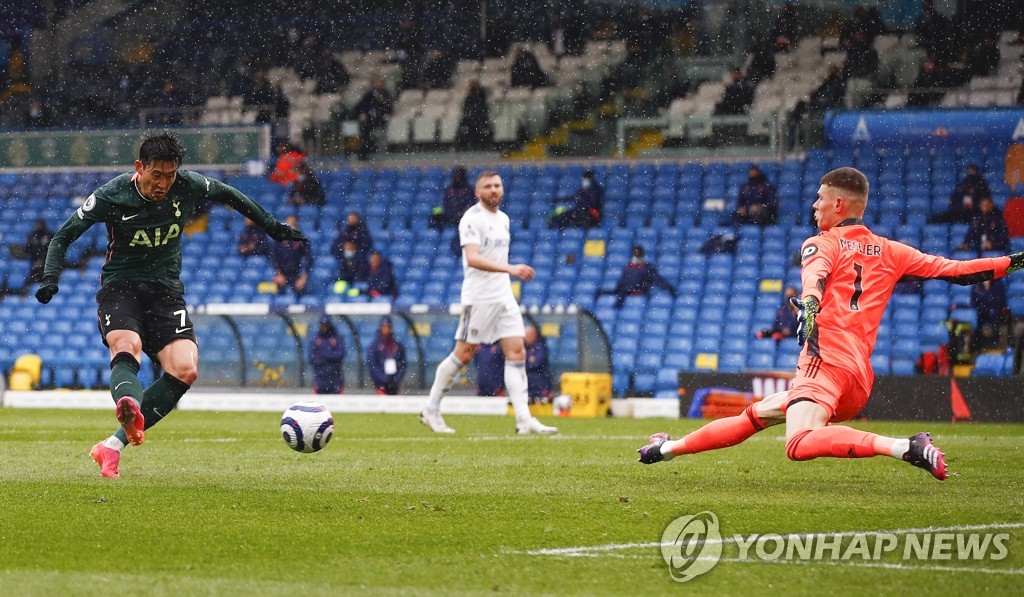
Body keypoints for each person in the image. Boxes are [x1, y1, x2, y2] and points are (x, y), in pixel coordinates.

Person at [639, 167, 1024, 481]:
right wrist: (1014, 261)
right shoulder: (892, 251)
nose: (814, 205)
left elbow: (815, 276)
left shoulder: (822, 243)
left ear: (838, 203)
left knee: (797, 442)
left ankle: (907, 447)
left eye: (820, 198)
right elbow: (957, 272)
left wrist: (809, 303)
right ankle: (665, 449)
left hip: (825, 361)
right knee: (757, 414)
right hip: (857, 378)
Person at [35, 132, 306, 478]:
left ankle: (111, 447)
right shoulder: (111, 195)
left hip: (165, 293)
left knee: (185, 368)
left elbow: (229, 194)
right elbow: (63, 236)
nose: (163, 183)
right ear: (139, 168)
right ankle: (128, 404)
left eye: (170, 175)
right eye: (156, 175)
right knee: (126, 345)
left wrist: (272, 226)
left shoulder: (186, 185)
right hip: (121, 288)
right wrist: (50, 278)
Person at [419, 171, 558, 435]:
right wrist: (511, 269)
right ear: (477, 192)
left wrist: (508, 274)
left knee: (517, 351)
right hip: (479, 296)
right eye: (488, 186)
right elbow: (472, 258)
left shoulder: (503, 219)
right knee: (464, 353)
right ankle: (431, 410)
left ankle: (524, 419)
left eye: (497, 185)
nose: (494, 190)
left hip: (503, 296)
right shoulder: (472, 219)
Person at [596, 244, 678, 308]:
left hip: (633, 292)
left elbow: (658, 281)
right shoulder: (632, 268)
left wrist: (669, 288)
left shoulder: (640, 267)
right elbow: (658, 281)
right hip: (630, 292)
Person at [351, 78, 393, 160]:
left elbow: (389, 108)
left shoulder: (386, 94)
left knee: (379, 134)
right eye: (377, 82)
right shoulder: (369, 95)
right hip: (368, 122)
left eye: (381, 83)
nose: (379, 84)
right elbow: (361, 106)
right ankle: (362, 155)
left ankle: (380, 156)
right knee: (362, 133)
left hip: (380, 122)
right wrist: (362, 114)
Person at [272, 214, 313, 296]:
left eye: (293, 223)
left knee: (300, 292)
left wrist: (303, 278)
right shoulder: (278, 238)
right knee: (278, 295)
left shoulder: (301, 239)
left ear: (296, 224)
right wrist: (279, 274)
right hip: (282, 273)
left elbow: (309, 259)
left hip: (296, 274)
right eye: (289, 223)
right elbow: (273, 257)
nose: (291, 225)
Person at [367, 316, 406, 395]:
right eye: (384, 326)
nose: (386, 329)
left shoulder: (397, 346)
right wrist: (383, 379)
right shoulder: (375, 346)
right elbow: (372, 365)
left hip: (394, 385)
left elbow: (403, 364)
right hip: (380, 385)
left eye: (388, 326)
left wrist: (396, 379)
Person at [308, 315, 346, 394]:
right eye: (322, 324)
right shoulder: (315, 338)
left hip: (335, 379)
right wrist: (329, 357)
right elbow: (311, 358)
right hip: (320, 379)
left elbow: (340, 355)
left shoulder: (337, 337)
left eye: (326, 324)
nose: (324, 327)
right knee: (318, 405)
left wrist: (324, 354)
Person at [970, 278, 1009, 353]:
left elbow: (1000, 300)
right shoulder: (976, 285)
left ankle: (995, 344)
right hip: (981, 315)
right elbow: (973, 302)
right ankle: (979, 348)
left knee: (994, 315)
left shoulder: (998, 284)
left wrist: (988, 291)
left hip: (995, 314)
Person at [455, 80, 493, 150]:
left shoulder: (481, 95)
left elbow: (482, 105)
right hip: (470, 117)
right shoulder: (469, 97)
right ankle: (465, 145)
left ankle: (482, 144)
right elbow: (466, 108)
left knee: (481, 127)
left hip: (480, 117)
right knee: (464, 127)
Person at [524, 325, 553, 402]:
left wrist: (525, 363)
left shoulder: (540, 347)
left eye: (528, 335)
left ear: (534, 335)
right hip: (527, 384)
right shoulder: (524, 347)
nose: (525, 337)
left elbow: (537, 363)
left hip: (540, 384)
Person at [25, 219, 53, 284]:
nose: (38, 226)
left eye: (39, 225)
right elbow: (28, 248)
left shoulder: (48, 234)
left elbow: (52, 246)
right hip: (34, 259)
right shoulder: (32, 235)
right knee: (35, 274)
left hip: (46, 258)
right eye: (37, 225)